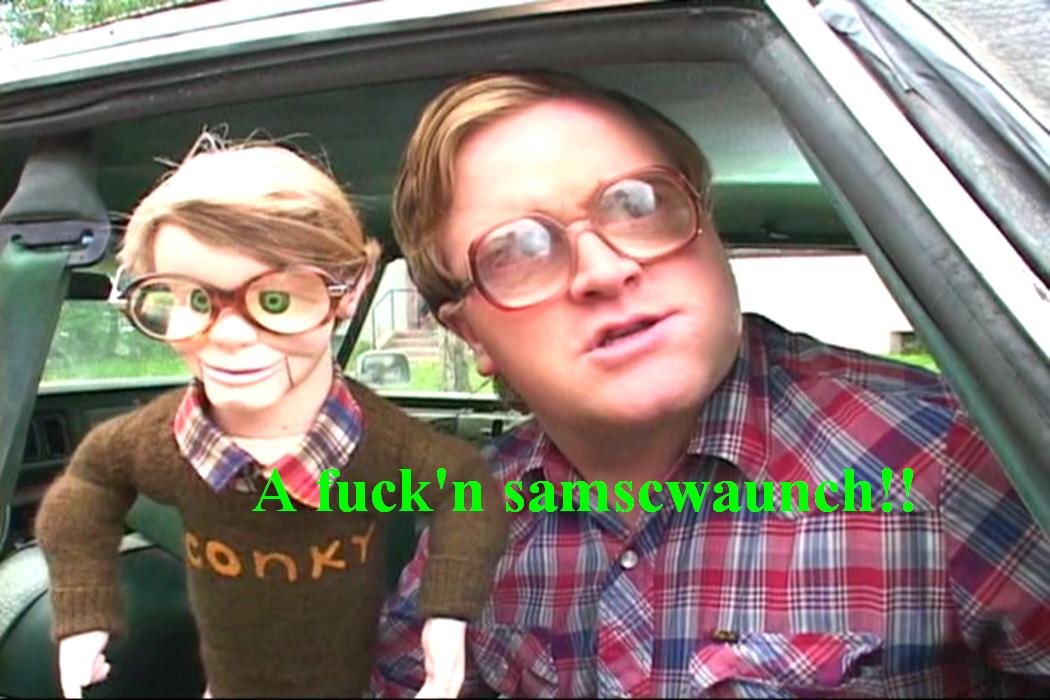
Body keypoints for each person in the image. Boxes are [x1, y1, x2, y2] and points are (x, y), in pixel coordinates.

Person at [371, 72, 1050, 697]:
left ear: (706, 223)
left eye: (638, 204)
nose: (604, 270)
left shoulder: (951, 454)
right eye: (516, 250)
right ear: (471, 334)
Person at [35, 136, 506, 698]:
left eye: (276, 300)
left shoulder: (380, 443)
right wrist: (84, 610)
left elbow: (468, 487)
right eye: (195, 301)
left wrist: (447, 613)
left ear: (350, 291)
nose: (230, 336)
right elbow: (89, 482)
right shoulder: (163, 442)